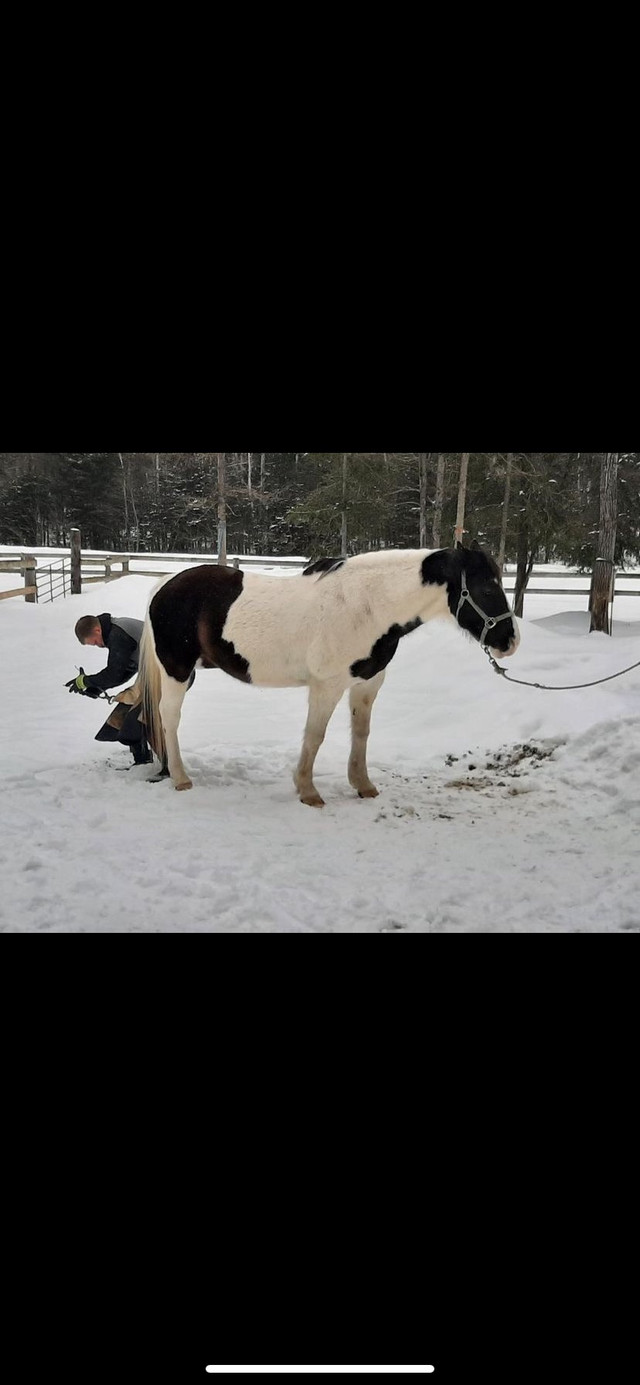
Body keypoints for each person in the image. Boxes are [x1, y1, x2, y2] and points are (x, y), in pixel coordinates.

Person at [66, 613, 154, 766]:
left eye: (94, 642)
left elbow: (114, 673)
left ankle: (152, 762)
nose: (98, 646)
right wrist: (97, 688)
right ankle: (142, 760)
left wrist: (86, 681)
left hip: (172, 676)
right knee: (127, 712)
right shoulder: (116, 629)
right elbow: (125, 670)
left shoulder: (118, 635)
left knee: (132, 718)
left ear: (97, 631)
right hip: (161, 675)